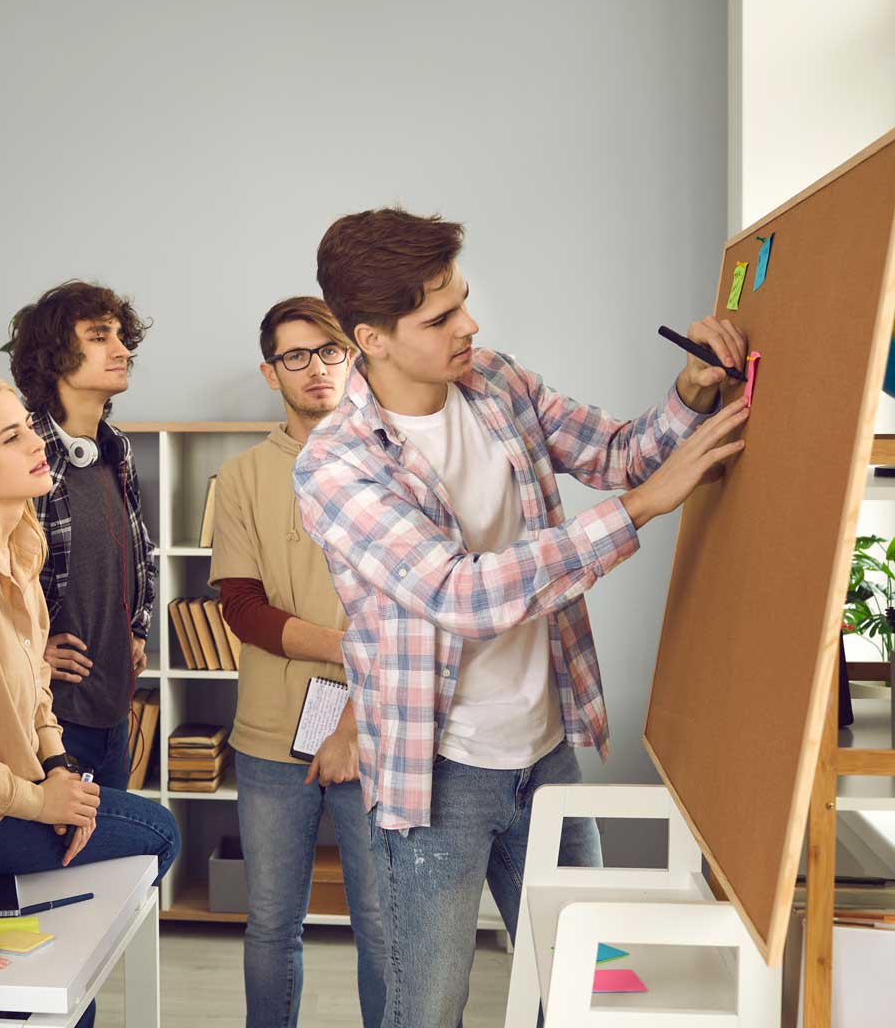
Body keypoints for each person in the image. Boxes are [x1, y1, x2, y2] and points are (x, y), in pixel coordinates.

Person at [292, 209, 752, 1027]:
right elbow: (461, 594)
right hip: (438, 776)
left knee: (584, 995)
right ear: (371, 337)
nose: (469, 325)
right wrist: (641, 509)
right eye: (439, 318)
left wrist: (688, 395)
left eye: (463, 301)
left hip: (544, 755)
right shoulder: (335, 466)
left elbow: (616, 455)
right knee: (427, 1010)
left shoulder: (496, 382)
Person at [0, 376, 181, 1028]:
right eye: (10, 435)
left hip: (14, 792)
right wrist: (39, 801)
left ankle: (37, 963)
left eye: (28, 425)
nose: (36, 442)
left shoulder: (21, 546)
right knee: (158, 834)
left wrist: (58, 770)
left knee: (90, 881)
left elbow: (34, 693)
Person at [210, 296, 387, 1028]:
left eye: (329, 351)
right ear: (269, 371)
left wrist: (359, 681)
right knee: (271, 925)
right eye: (295, 356)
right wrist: (350, 646)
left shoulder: (394, 459)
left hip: (381, 728)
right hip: (271, 735)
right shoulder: (244, 475)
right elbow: (243, 611)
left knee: (383, 927)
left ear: (354, 357)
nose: (315, 368)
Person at [4, 281, 158, 790]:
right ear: (53, 358)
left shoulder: (117, 453)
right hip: (51, 718)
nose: (122, 350)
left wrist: (137, 629)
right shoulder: (24, 458)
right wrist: (28, 650)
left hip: (114, 710)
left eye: (120, 335)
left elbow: (141, 557)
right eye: (99, 336)